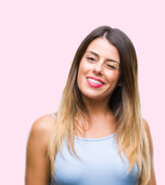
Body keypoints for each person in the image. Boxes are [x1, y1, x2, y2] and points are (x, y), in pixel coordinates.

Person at [25, 26, 156, 185]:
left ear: (122, 79)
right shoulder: (45, 129)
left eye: (110, 65)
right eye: (91, 59)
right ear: (78, 64)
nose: (98, 69)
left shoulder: (138, 129)